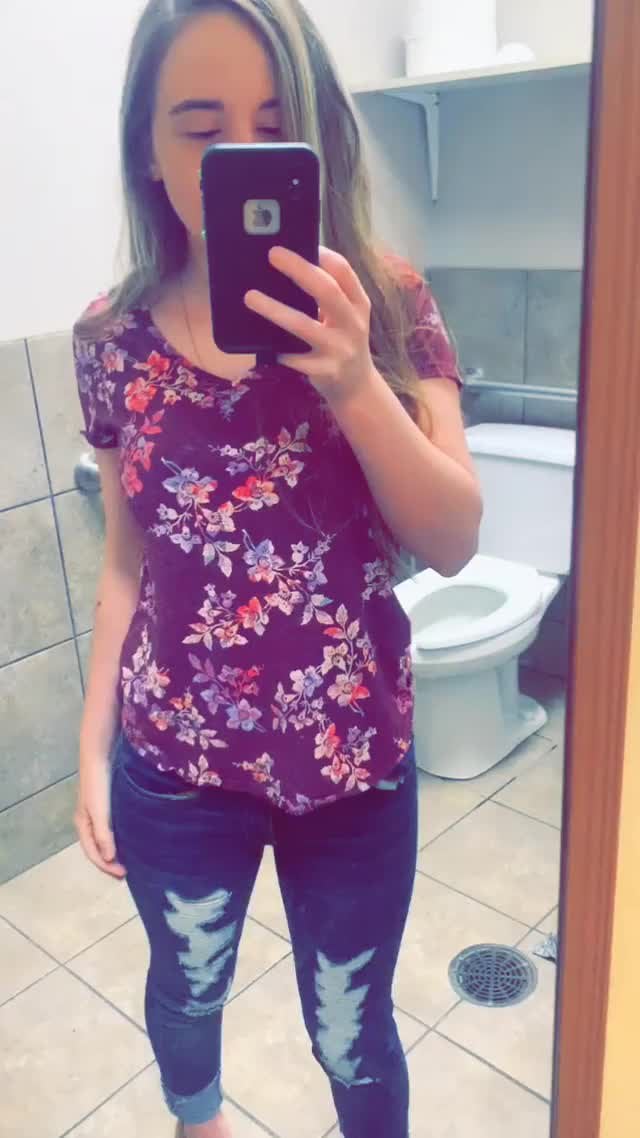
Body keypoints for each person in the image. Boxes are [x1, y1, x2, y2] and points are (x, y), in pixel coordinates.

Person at [73, 2, 482, 1135]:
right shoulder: (111, 342)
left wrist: (350, 376)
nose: (237, 161)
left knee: (352, 1032)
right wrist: (92, 748)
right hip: (176, 763)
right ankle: (196, 1122)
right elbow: (125, 566)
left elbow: (454, 537)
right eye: (202, 129)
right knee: (185, 991)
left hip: (351, 762)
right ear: (148, 151)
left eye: (273, 124)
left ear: (317, 138)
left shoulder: (388, 302)